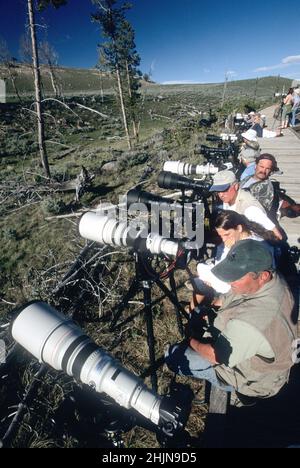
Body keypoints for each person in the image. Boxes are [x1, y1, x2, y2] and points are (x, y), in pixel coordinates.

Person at [165, 239, 297, 400]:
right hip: (255, 346)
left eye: (236, 277)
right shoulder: (273, 278)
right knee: (200, 311)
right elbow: (230, 297)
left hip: (256, 381)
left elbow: (216, 356)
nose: (229, 281)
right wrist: (211, 308)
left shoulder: (253, 321)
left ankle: (240, 396)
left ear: (263, 276)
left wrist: (191, 339)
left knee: (174, 356)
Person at [190, 210, 277, 309]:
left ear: (239, 228)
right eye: (221, 236)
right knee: (201, 275)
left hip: (247, 287)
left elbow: (234, 281)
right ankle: (193, 310)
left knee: (200, 279)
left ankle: (194, 311)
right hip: (239, 279)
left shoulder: (249, 247)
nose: (223, 239)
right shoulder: (245, 235)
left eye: (227, 234)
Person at [209, 170, 283, 240]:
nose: (221, 195)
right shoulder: (228, 198)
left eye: (224, 190)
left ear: (236, 186)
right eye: (218, 191)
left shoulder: (250, 209)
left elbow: (277, 236)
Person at [240, 153, 280, 222]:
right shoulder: (247, 178)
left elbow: (257, 214)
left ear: (270, 171)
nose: (263, 171)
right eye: (261, 166)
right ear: (255, 166)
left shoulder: (266, 189)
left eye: (267, 168)